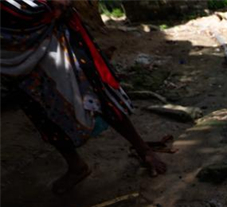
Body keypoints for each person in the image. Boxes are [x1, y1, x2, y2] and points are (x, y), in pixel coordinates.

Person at [1, 0, 166, 194]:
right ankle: (76, 165)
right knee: (37, 105)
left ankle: (143, 149)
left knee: (93, 87)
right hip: (7, 41)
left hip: (47, 24)